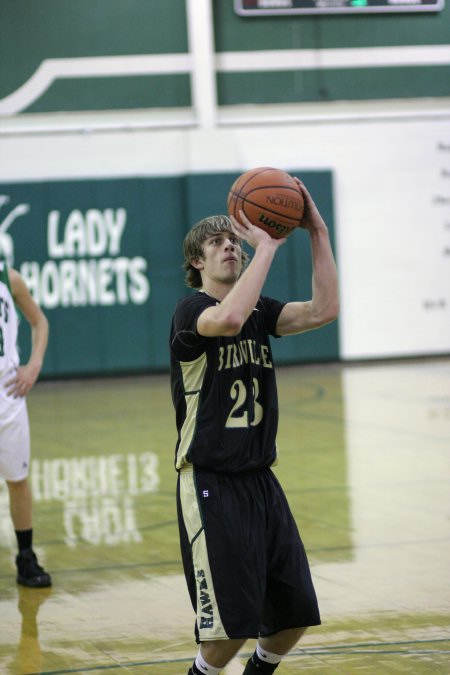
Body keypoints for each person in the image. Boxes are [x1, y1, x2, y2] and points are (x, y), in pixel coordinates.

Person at [169, 177, 339, 675]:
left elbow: (324, 309)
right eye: (216, 242)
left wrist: (317, 233)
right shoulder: (192, 311)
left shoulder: (262, 312)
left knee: (293, 616)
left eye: (232, 240)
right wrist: (266, 244)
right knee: (230, 631)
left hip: (262, 479)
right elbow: (230, 317)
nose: (228, 246)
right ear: (197, 261)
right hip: (211, 483)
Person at [0, 258, 51, 588]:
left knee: (18, 479)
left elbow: (40, 323)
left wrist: (33, 366)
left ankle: (26, 556)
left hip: (8, 398)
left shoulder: (9, 277)